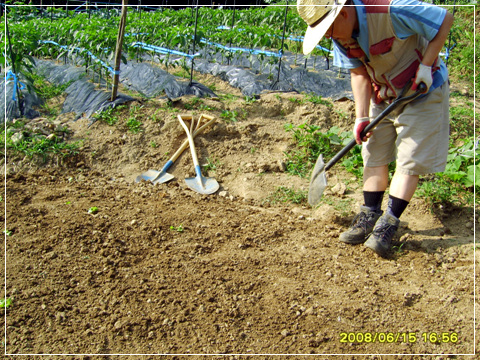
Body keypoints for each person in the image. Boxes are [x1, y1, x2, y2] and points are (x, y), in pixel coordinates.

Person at [297, 0, 453, 257]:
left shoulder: (390, 10)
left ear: (343, 14)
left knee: (409, 159)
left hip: (422, 91)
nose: (328, 36)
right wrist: (361, 118)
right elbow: (358, 73)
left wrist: (426, 65)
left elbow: (443, 19)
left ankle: (389, 224)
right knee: (372, 151)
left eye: (328, 29)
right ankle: (369, 215)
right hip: (384, 93)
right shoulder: (341, 34)